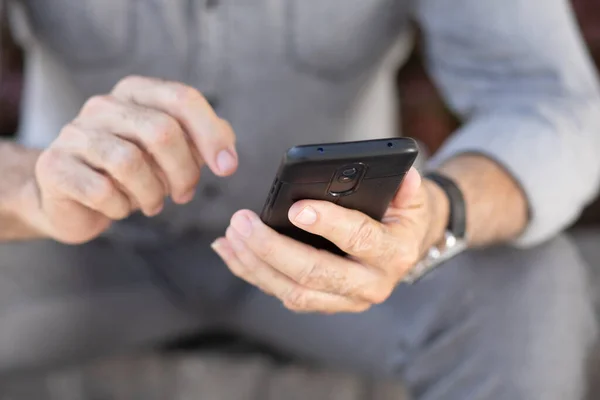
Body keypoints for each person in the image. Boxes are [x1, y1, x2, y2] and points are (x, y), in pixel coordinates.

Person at [0, 0, 599, 398]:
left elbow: (546, 99)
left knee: (529, 285)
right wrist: (31, 189)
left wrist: (436, 211)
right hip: (76, 249)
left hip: (334, 256)